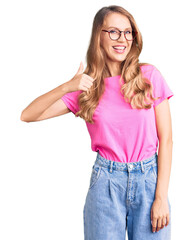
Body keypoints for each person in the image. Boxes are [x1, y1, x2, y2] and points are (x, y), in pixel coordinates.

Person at [20, 5, 174, 240]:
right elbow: (28, 115)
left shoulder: (149, 76)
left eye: (127, 32)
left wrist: (161, 196)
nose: (122, 38)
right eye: (113, 31)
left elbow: (167, 140)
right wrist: (67, 86)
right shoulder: (87, 88)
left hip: (149, 183)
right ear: (98, 37)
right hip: (106, 184)